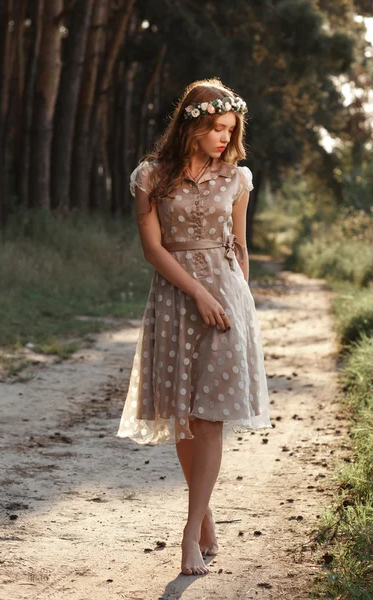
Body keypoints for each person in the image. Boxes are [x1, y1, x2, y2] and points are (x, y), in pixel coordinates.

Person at [116, 77, 272, 576]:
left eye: (230, 129)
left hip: (227, 304)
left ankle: (188, 533)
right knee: (183, 414)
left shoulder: (238, 179)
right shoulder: (150, 177)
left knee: (210, 418)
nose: (225, 137)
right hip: (177, 299)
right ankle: (204, 517)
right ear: (192, 124)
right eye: (216, 128)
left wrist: (237, 298)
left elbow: (240, 246)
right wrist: (199, 292)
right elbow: (152, 250)